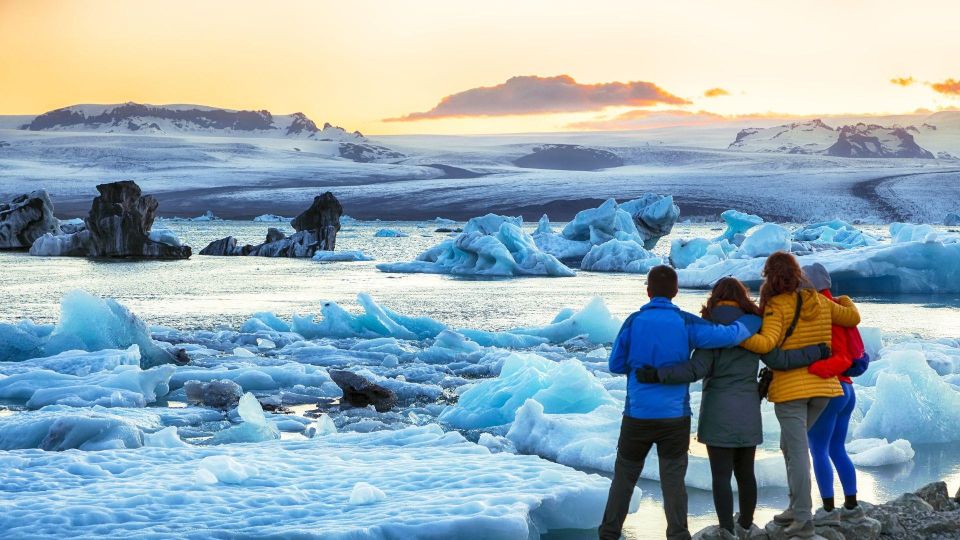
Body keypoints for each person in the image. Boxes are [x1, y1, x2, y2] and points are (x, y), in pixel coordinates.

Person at [636, 277, 831, 540]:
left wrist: (658, 374)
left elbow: (695, 370)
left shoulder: (710, 330)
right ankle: (747, 525)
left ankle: (727, 529)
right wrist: (817, 351)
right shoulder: (754, 328)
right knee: (745, 472)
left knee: (721, 475)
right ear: (742, 297)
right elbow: (781, 360)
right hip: (748, 409)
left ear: (715, 298)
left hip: (717, 412)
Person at [599, 266, 760, 540]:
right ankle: (678, 534)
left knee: (625, 477)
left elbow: (615, 364)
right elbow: (730, 335)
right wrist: (754, 320)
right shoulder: (686, 323)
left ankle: (609, 533)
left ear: (648, 291)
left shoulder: (632, 322)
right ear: (675, 292)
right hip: (674, 418)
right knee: (673, 482)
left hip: (637, 415)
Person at [739, 252, 860, 538]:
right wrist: (842, 299)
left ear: (771, 276)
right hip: (823, 389)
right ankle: (795, 507)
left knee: (797, 452)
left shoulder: (776, 305)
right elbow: (852, 316)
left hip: (792, 391)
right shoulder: (819, 300)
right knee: (788, 446)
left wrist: (737, 335)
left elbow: (767, 343)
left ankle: (804, 519)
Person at [802, 263, 866, 525]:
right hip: (848, 389)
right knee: (837, 448)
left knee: (818, 449)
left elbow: (837, 354)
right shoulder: (843, 309)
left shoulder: (819, 311)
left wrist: (812, 368)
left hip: (830, 387)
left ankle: (828, 510)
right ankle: (851, 503)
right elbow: (855, 352)